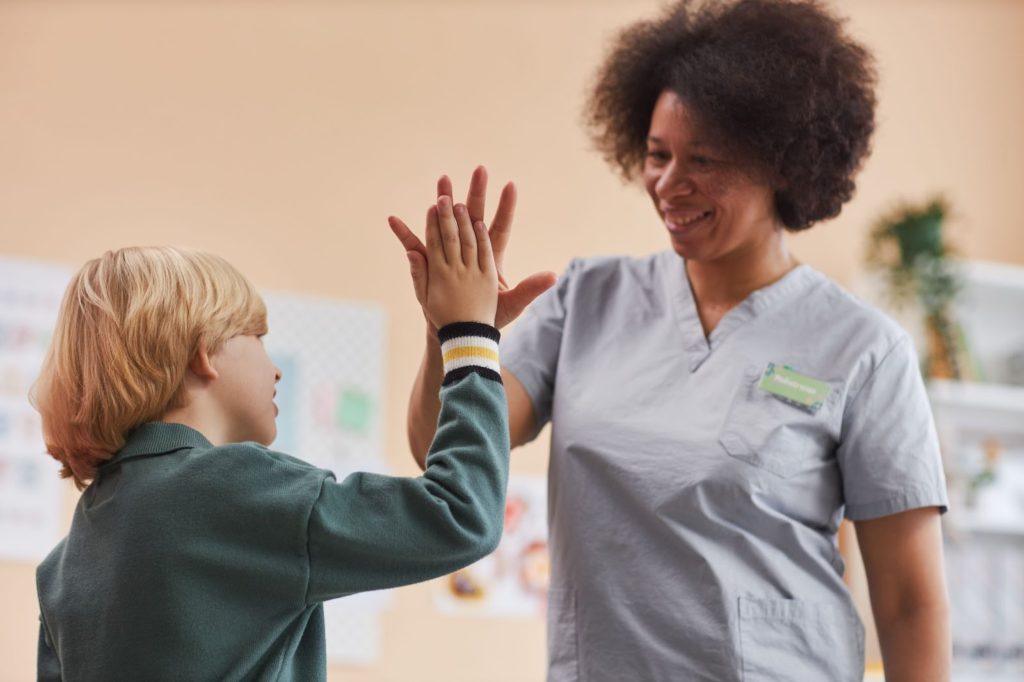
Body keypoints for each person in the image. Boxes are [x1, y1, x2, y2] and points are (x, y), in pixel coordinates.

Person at [389, 1, 951, 680]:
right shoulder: (585, 301)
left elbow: (909, 601)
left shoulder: (862, 349)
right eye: (657, 155)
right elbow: (440, 447)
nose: (668, 183)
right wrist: (454, 329)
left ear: (785, 163)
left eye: (704, 159)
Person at [33, 199, 508, 681]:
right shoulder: (236, 488)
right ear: (205, 353)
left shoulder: (62, 565)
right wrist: (468, 335)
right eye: (258, 337)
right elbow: (461, 512)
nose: (275, 367)